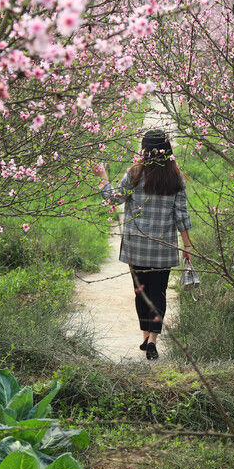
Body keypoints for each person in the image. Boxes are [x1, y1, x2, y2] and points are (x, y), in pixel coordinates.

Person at [94, 129, 192, 360]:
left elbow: (114, 198)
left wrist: (103, 178)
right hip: (163, 247)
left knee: (142, 293)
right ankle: (153, 340)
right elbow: (181, 215)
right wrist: (187, 245)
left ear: (145, 149)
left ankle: (146, 335)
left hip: (136, 247)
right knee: (159, 292)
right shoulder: (176, 178)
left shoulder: (135, 174)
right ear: (168, 150)